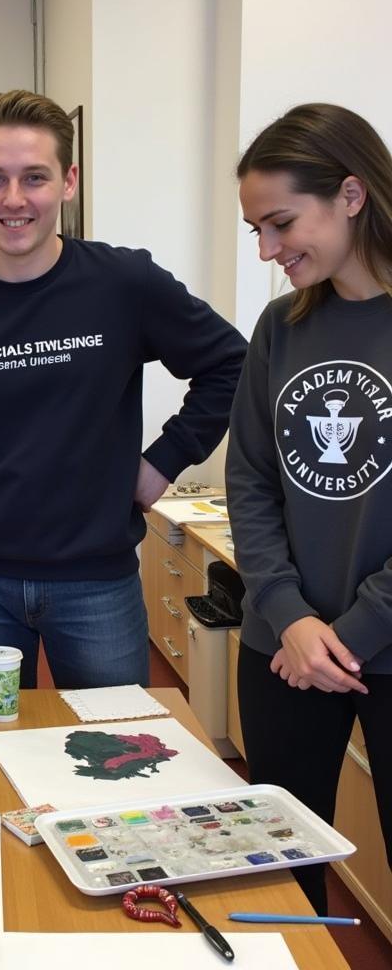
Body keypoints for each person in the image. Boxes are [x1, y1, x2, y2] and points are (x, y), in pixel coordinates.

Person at [0, 89, 247, 688]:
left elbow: (234, 365)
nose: (14, 199)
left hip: (95, 581)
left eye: (35, 177)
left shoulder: (122, 283)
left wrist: (163, 461)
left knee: (115, 759)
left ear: (69, 181)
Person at [227, 102, 392, 915]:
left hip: (378, 644)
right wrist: (288, 615)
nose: (267, 250)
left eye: (281, 223)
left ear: (352, 195)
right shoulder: (281, 327)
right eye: (257, 229)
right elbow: (251, 481)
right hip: (283, 649)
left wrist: (350, 635)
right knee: (282, 872)